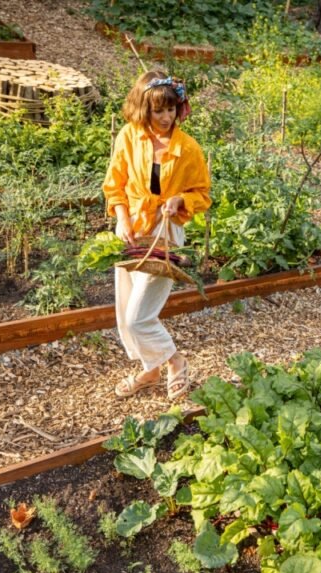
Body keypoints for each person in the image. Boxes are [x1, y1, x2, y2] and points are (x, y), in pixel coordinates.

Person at [102, 70, 210, 400]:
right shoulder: (128, 136)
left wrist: (180, 200)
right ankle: (150, 371)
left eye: (171, 109)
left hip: (166, 232)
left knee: (139, 317)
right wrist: (122, 219)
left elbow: (202, 195)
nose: (166, 117)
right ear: (144, 108)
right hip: (133, 228)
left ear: (179, 108)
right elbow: (115, 184)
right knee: (124, 312)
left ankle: (175, 361)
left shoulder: (188, 149)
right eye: (158, 110)